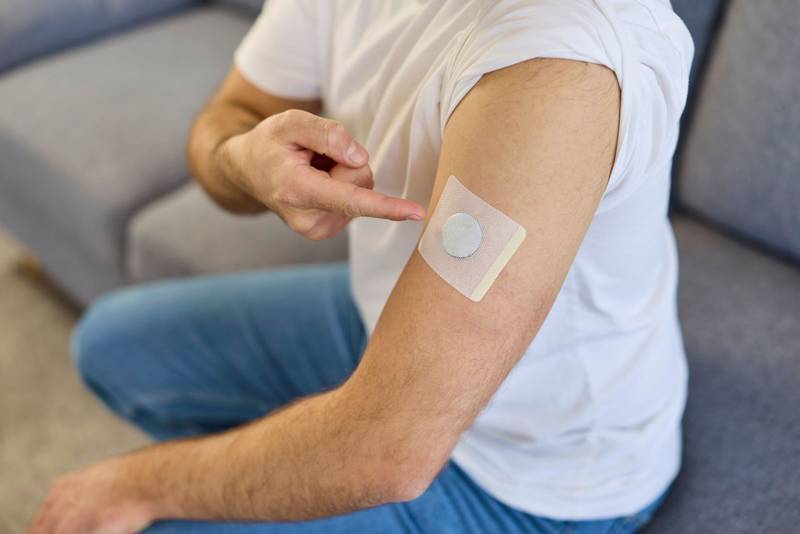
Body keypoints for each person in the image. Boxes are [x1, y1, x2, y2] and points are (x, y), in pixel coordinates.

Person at [30, 0, 694, 532]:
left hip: (536, 478)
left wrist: (139, 484)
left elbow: (389, 450)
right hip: (389, 326)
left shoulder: (559, 64)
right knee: (110, 345)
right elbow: (232, 114)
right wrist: (242, 161)